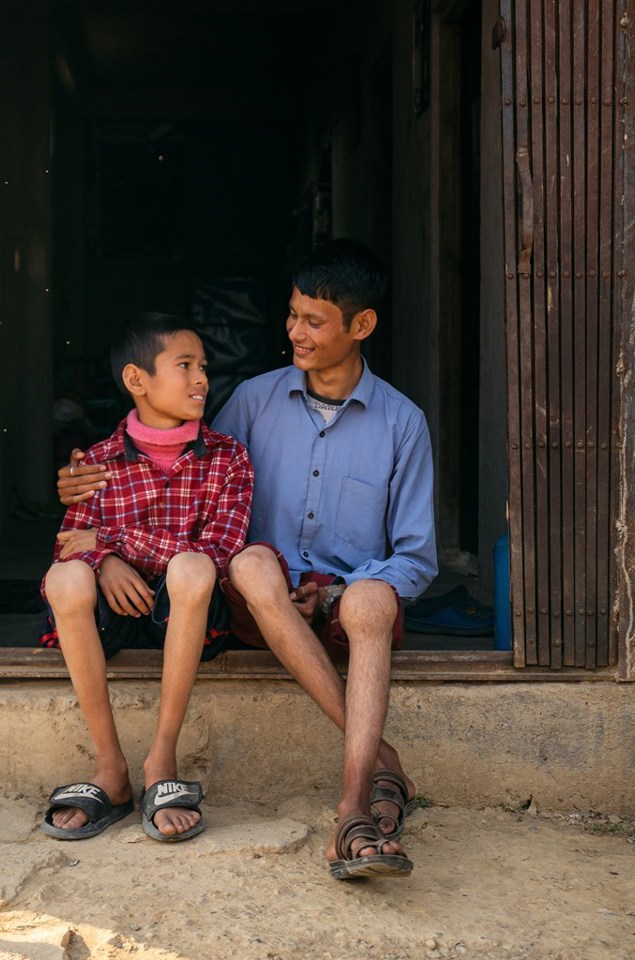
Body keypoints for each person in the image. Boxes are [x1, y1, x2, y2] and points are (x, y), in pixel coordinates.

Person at [57, 240, 435, 879]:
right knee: (254, 563)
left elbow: (417, 558)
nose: (295, 332)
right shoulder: (254, 401)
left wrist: (339, 592)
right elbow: (186, 476)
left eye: (313, 321)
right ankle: (383, 760)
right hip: (257, 595)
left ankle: (350, 809)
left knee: (372, 597)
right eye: (292, 315)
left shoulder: (403, 423)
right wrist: (84, 489)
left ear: (361, 326)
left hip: (347, 602)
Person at [39, 312, 255, 844]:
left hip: (187, 619)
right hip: (115, 621)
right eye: (185, 365)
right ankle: (110, 770)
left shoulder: (227, 459)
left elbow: (219, 553)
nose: (202, 378)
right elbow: (71, 544)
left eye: (203, 366)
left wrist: (115, 544)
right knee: (65, 579)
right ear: (137, 380)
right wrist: (103, 561)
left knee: (192, 566)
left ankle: (162, 759)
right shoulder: (97, 462)